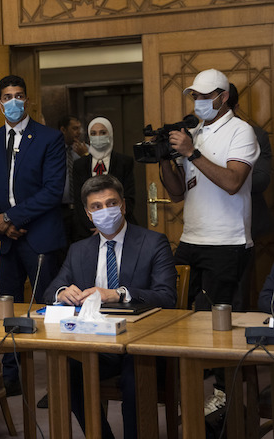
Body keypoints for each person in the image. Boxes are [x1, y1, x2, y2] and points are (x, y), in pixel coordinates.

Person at [159, 68, 259, 414]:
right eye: (195, 96)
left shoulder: (241, 131)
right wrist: (165, 160)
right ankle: (181, 386)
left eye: (205, 96)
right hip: (191, 239)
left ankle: (224, 396)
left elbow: (233, 181)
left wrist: (190, 154)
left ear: (223, 96)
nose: (199, 102)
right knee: (177, 315)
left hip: (227, 242)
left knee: (220, 325)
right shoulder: (195, 133)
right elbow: (175, 195)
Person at [47, 175, 177, 438]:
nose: (104, 211)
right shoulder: (79, 250)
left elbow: (167, 297)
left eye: (111, 203)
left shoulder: (153, 242)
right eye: (96, 206)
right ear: (87, 213)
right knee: (67, 371)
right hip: (98, 344)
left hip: (141, 344)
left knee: (135, 376)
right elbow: (50, 290)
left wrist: (119, 293)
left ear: (124, 206)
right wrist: (63, 292)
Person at [0, 75, 65, 395]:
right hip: (4, 243)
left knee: (49, 309)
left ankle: (59, 379)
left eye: (19, 96)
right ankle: (10, 376)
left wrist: (10, 217)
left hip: (40, 238)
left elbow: (52, 191)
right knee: (6, 309)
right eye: (7, 97)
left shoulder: (49, 139)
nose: (13, 102)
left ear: (27, 100)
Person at [227, 83, 272, 311]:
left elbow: (262, 179)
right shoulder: (197, 136)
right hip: (204, 228)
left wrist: (228, 178)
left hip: (245, 224)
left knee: (238, 297)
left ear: (235, 106)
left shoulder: (255, 135)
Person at [72, 117, 136, 241]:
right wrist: (95, 225)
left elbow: (129, 197)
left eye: (103, 132)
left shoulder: (124, 162)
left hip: (120, 228)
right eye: (93, 133)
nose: (98, 136)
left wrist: (109, 225)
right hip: (87, 231)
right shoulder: (79, 165)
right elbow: (79, 200)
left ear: (110, 134)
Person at [57, 115, 88, 244]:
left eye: (79, 128)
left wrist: (85, 156)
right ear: (63, 129)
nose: (78, 132)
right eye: (74, 128)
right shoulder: (53, 152)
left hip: (79, 209)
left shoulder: (83, 150)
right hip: (59, 210)